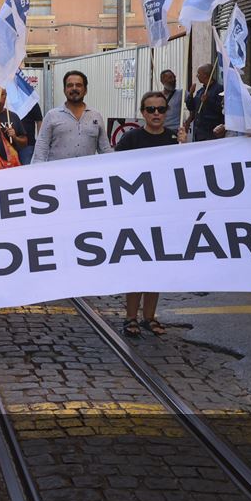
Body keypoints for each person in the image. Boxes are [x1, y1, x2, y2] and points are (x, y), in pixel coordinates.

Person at [113, 91, 183, 338]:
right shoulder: (131, 138)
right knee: (137, 267)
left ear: (167, 112)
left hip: (164, 213)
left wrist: (185, 147)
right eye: (151, 109)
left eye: (161, 109)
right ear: (143, 112)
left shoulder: (175, 138)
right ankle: (130, 317)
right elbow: (114, 169)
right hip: (137, 213)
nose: (156, 114)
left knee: (157, 267)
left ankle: (149, 317)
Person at [30, 70, 112, 163]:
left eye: (78, 85)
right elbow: (41, 149)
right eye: (69, 85)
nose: (74, 88)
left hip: (87, 174)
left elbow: (105, 149)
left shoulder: (95, 116)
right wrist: (37, 174)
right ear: (64, 90)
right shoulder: (52, 116)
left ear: (85, 90)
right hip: (58, 175)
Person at [0, 84, 27, 169]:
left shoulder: (13, 116)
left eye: (2, 94)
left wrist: (15, 137)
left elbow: (25, 142)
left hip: (11, 165)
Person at [185, 64, 224, 142]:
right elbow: (192, 107)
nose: (197, 76)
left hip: (211, 131)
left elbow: (221, 109)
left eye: (198, 74)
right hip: (199, 132)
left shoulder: (219, 89)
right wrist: (191, 94)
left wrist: (208, 101)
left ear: (205, 75)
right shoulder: (201, 91)